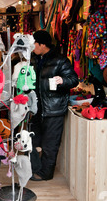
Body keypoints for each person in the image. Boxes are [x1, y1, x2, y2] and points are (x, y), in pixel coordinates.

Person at [30, 30, 79, 181]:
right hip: (37, 108)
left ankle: (46, 173)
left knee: (50, 143)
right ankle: (35, 168)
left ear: (42, 44)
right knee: (32, 140)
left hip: (54, 108)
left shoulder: (60, 60)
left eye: (35, 43)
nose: (33, 46)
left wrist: (63, 81)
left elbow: (74, 80)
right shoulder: (34, 59)